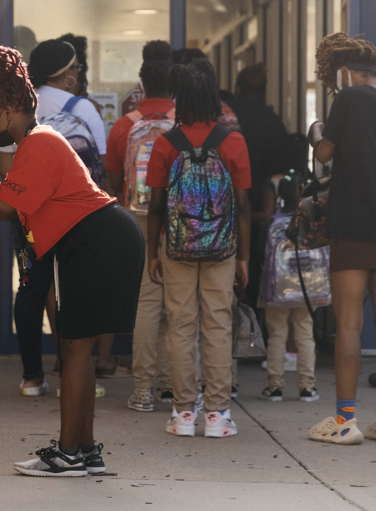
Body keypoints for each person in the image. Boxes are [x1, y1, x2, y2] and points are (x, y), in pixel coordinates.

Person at [0, 46, 144, 477]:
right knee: (78, 350)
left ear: (12, 107)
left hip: (98, 241)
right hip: (98, 241)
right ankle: (84, 451)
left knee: (74, 349)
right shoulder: (36, 144)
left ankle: (69, 453)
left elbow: (3, 205)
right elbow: (2, 206)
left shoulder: (39, 143)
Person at [0, 40, 123, 397]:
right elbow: (98, 171)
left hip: (28, 215)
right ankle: (73, 371)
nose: (78, 75)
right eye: (76, 69)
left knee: (30, 288)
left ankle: (32, 378)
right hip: (76, 219)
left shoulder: (18, 107)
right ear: (66, 74)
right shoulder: (83, 109)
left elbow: (4, 169)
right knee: (73, 291)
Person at [146, 63, 251, 439]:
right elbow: (243, 205)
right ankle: (218, 414)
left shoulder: (164, 144)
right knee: (219, 325)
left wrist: (152, 254)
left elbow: (156, 206)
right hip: (222, 248)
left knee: (180, 325)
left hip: (176, 246)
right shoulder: (233, 141)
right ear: (213, 100)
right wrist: (243, 257)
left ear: (180, 101)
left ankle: (184, 413)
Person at [306, 33, 377, 444]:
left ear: (346, 72)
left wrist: (316, 130)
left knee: (349, 323)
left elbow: (324, 154)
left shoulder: (350, 99)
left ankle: (343, 422)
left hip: (353, 225)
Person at [105, 40, 175, 413]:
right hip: (179, 222)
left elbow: (113, 181)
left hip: (139, 216)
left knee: (146, 304)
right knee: (178, 304)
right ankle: (172, 385)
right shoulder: (186, 122)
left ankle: (144, 389)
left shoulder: (124, 126)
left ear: (142, 85)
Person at [227, 64, 293, 305]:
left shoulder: (228, 114)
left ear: (237, 88)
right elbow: (284, 163)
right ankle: (252, 318)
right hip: (261, 200)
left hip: (229, 197)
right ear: (265, 92)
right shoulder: (271, 120)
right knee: (255, 261)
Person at [261, 172, 319, 403]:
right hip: (306, 287)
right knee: (305, 334)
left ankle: (274, 387)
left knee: (276, 335)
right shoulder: (312, 223)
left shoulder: (271, 224)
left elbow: (260, 256)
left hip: (278, 289)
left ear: (279, 196)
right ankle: (307, 387)